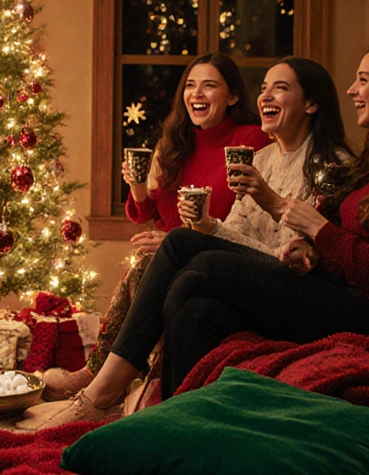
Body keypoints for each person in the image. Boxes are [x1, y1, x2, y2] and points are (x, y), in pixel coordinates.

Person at [41, 41, 369, 427]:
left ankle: (102, 393)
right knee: (195, 301)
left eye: (363, 80)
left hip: (368, 311)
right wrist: (310, 250)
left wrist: (317, 230)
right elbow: (347, 240)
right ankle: (175, 425)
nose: (352, 90)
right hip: (331, 285)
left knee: (186, 250)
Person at [42, 57, 344, 403]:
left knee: (173, 251)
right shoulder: (192, 144)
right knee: (182, 288)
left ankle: (101, 384)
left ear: (232, 96)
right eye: (190, 85)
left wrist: (201, 229)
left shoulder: (261, 147)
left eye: (209, 85)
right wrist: (161, 202)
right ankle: (161, 401)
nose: (197, 93)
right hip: (203, 255)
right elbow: (162, 216)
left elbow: (300, 249)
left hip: (270, 279)